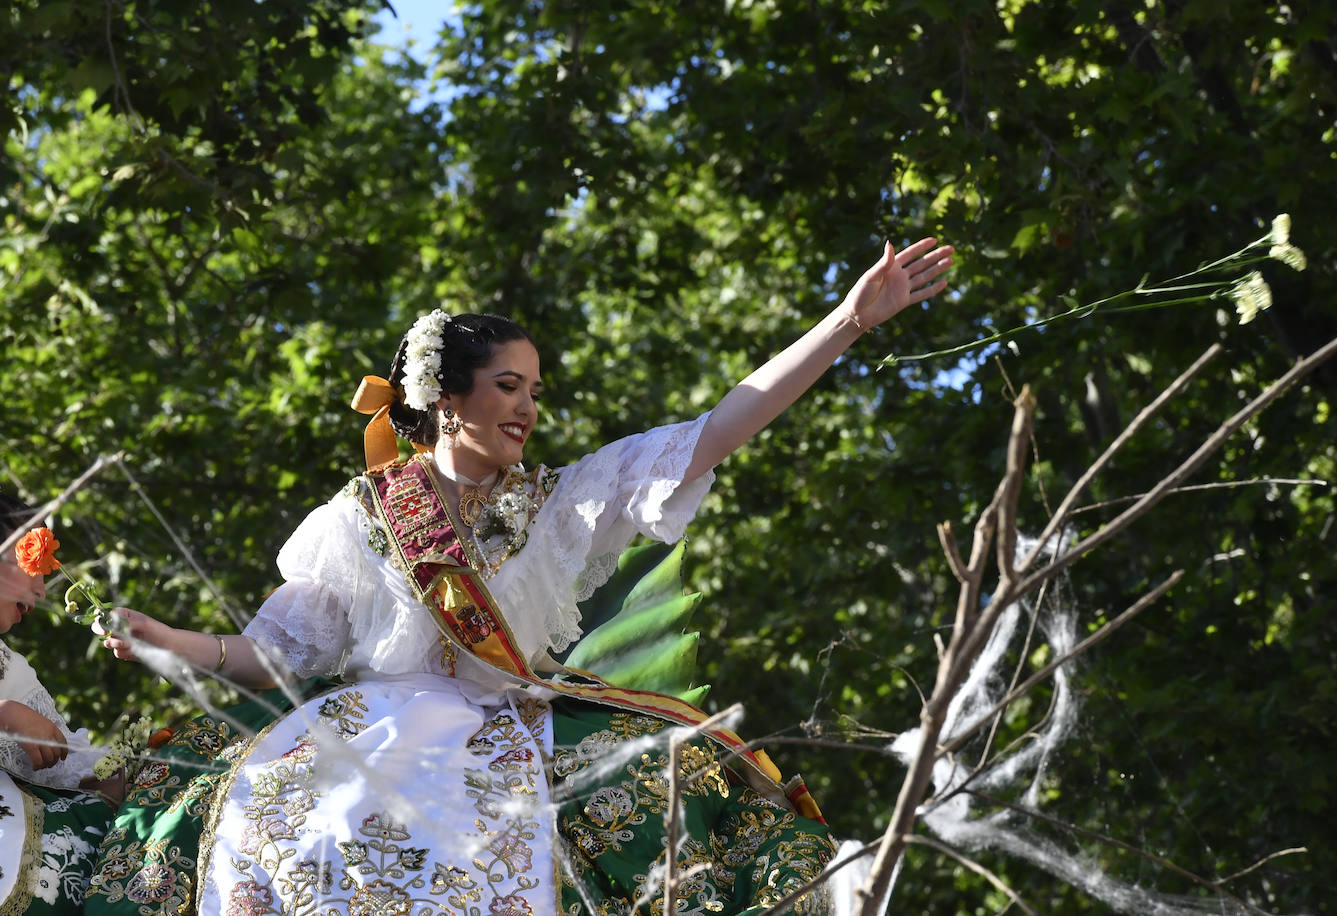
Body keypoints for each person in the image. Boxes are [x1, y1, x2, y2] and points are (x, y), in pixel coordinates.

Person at [88, 238, 954, 914]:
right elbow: (273, 654)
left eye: (536, 389)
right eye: (510, 386)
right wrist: (168, 640)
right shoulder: (358, 517)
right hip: (368, 734)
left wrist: (848, 323)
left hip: (511, 729)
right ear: (447, 399)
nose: (531, 409)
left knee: (699, 811)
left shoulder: (564, 502)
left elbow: (715, 430)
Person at [0, 492, 122, 913]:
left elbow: (62, 762)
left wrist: (124, 771)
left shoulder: (11, 670)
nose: (40, 589)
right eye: (32, 568)